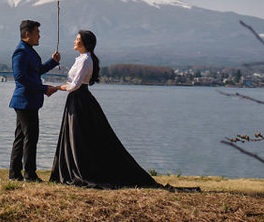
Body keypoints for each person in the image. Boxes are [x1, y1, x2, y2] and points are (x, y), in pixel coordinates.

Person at [48, 30, 162, 189]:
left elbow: (75, 85)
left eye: (77, 39)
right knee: (76, 136)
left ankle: (81, 170)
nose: (74, 41)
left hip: (80, 101)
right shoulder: (81, 59)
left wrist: (56, 88)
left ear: (85, 43)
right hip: (76, 100)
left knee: (78, 137)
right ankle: (71, 168)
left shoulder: (86, 60)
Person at [9, 19, 61, 182]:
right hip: (25, 102)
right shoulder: (21, 52)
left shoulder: (29, 51)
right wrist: (44, 89)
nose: (40, 36)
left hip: (28, 101)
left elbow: (36, 71)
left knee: (21, 137)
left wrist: (53, 62)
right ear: (27, 34)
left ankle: (15, 173)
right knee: (31, 137)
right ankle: (29, 174)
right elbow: (21, 78)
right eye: (37, 33)